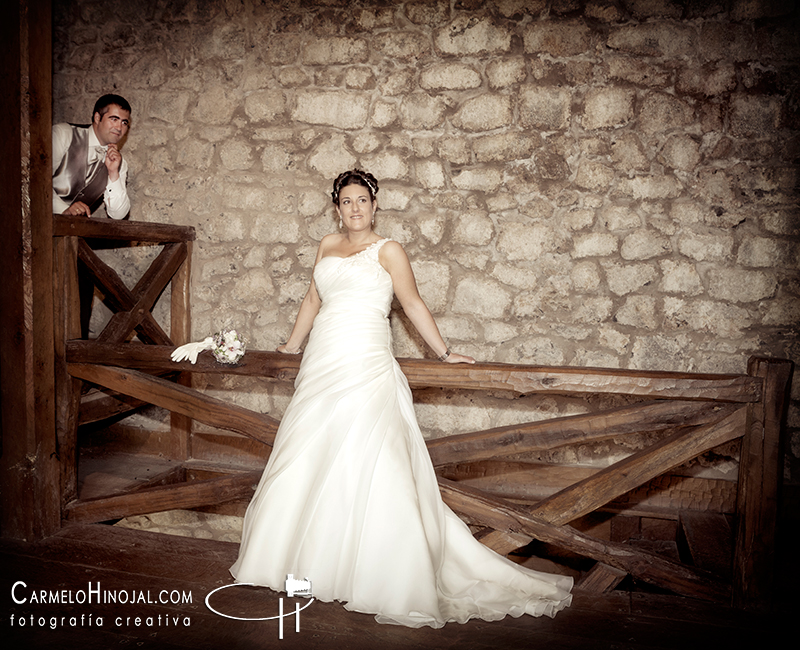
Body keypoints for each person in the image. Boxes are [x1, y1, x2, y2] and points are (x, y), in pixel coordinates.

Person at [230, 169, 573, 628]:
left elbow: (411, 304)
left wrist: (445, 353)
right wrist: (291, 346)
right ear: (337, 208)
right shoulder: (326, 247)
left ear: (375, 205)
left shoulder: (389, 250)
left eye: (362, 201)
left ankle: (379, 573)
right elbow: (313, 299)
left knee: (372, 463)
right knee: (310, 456)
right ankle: (310, 569)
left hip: (367, 364)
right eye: (346, 201)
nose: (355, 208)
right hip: (322, 363)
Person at [52, 93, 131, 219]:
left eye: (124, 122)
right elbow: (36, 181)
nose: (119, 127)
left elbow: (118, 215)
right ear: (97, 118)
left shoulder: (120, 164)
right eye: (114, 119)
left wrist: (113, 172)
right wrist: (63, 210)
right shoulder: (64, 134)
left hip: (72, 234)